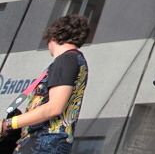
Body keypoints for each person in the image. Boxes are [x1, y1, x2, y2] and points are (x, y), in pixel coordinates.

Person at [0, 15, 90, 154]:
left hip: (43, 145)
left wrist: (8, 124)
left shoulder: (67, 59)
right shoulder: (74, 60)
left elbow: (54, 108)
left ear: (53, 36)